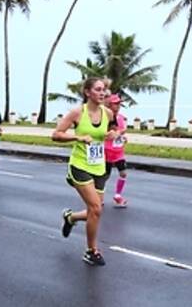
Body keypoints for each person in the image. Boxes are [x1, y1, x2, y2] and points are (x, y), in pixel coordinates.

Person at [52, 77, 119, 266]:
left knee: (96, 209)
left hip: (99, 165)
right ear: (88, 92)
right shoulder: (77, 113)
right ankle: (91, 251)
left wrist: (113, 134)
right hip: (80, 165)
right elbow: (56, 135)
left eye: (104, 89)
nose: (102, 93)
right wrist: (78, 137)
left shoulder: (107, 112)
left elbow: (114, 128)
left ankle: (71, 217)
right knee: (96, 209)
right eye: (98, 89)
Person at [105, 93, 129, 208]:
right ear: (110, 105)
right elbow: (103, 134)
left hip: (118, 151)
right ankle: (98, 196)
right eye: (115, 104)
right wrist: (117, 133)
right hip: (106, 150)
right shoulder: (105, 118)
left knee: (123, 173)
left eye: (119, 103)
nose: (118, 106)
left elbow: (121, 131)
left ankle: (118, 196)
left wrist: (122, 137)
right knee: (105, 176)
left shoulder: (121, 118)